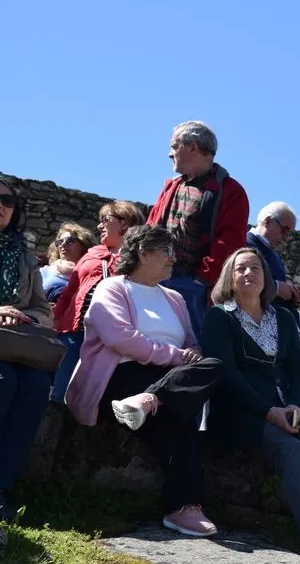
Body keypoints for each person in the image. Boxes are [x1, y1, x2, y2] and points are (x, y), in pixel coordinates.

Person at [202, 248, 300, 560]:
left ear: (266, 278)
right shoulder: (219, 317)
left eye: (255, 268)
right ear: (230, 278)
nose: (248, 273)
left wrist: (295, 406)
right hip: (237, 410)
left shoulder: (284, 318)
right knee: (289, 447)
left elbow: (296, 369)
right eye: (240, 269)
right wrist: (268, 412)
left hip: (281, 407)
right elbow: (227, 374)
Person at [65, 225, 222, 536]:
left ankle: (150, 399)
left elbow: (190, 343)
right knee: (179, 419)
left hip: (164, 382)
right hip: (121, 377)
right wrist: (177, 357)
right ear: (143, 253)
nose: (173, 258)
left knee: (214, 366)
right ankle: (184, 507)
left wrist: (190, 355)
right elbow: (122, 339)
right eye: (166, 251)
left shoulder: (175, 298)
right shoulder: (112, 288)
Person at [148, 120, 250, 339]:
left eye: (175, 146)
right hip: (156, 278)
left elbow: (230, 242)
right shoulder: (171, 186)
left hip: (192, 286)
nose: (170, 153)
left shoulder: (230, 191)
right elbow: (150, 228)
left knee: (191, 347)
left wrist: (201, 280)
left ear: (192, 147)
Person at [52, 201, 145, 403]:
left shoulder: (140, 259)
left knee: (95, 395)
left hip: (109, 337)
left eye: (106, 219)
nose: (99, 225)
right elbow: (70, 292)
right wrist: (57, 321)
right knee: (60, 391)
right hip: (74, 332)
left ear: (124, 222)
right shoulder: (92, 254)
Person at [0, 181, 53, 521]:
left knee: (35, 386)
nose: (1, 205)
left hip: (15, 343)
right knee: (2, 381)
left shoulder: (25, 256)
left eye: (7, 200)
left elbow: (43, 310)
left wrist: (24, 317)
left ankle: (1, 487)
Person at [247, 202, 300, 314]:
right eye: (284, 230)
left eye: (289, 233)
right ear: (267, 221)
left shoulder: (275, 256)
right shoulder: (243, 244)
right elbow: (235, 282)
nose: (286, 238)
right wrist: (276, 288)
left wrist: (293, 298)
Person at [40, 222, 96, 303]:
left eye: (70, 240)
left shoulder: (91, 276)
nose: (63, 244)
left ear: (84, 245)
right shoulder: (42, 273)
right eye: (59, 242)